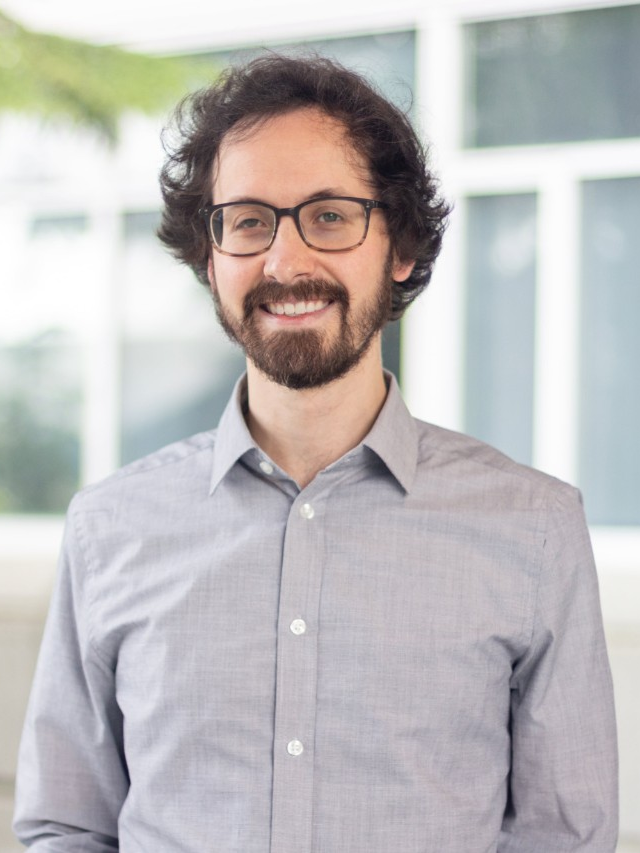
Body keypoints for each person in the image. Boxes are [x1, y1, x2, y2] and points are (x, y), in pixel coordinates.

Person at [14, 54, 618, 852]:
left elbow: (563, 838)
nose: (287, 262)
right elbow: (67, 825)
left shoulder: (535, 529)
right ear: (210, 258)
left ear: (401, 248)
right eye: (249, 221)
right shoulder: (108, 529)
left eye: (330, 216)